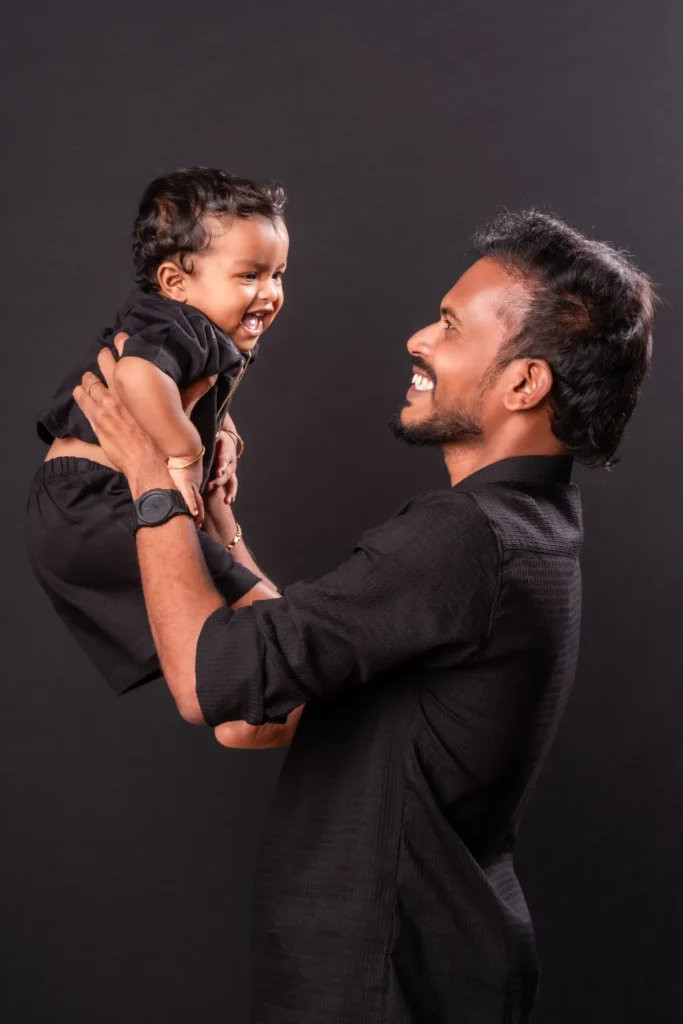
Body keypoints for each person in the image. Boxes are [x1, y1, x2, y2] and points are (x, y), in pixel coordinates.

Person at [73, 210, 654, 1023]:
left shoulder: (465, 537)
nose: (418, 339)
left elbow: (211, 680)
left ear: (524, 384)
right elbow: (264, 706)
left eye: (449, 326)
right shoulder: (529, 526)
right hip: (414, 966)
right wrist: (215, 521)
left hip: (381, 983)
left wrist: (152, 478)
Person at [26, 167, 289, 694]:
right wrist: (186, 451)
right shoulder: (178, 326)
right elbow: (137, 376)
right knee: (263, 624)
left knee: (224, 637)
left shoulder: (188, 326)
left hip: (78, 508)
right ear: (175, 283)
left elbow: (188, 392)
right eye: (249, 276)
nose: (269, 293)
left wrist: (224, 435)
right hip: (97, 500)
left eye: (278, 275)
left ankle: (250, 697)